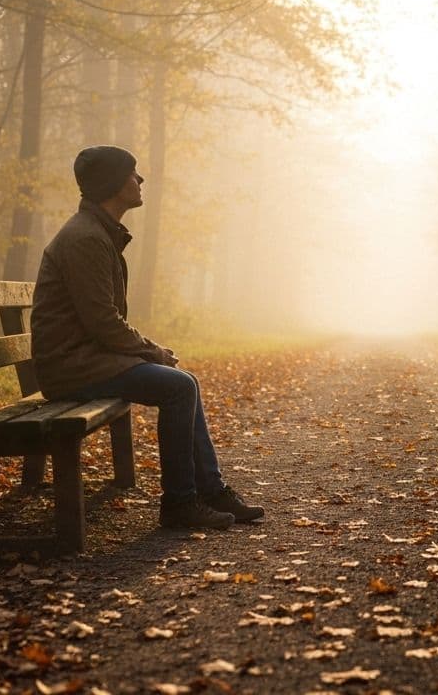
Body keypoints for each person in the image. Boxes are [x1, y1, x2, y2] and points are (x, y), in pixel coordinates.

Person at [30, 145, 263, 530]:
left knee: (184, 382)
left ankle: (210, 491)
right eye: (132, 172)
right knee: (178, 388)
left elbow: (102, 321)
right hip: (71, 368)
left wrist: (149, 352)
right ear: (112, 182)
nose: (139, 179)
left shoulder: (96, 233)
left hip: (83, 359)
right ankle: (180, 504)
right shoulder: (85, 238)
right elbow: (103, 321)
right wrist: (151, 351)